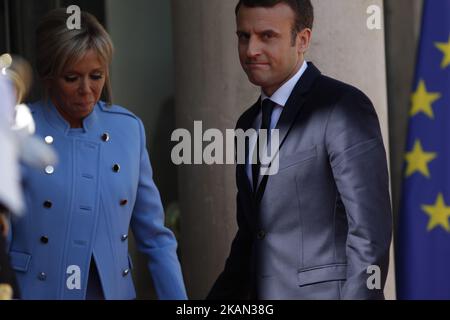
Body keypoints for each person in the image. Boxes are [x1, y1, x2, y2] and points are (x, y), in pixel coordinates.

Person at [208, 0, 392, 300]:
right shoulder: (247, 123)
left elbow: (370, 235)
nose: (251, 50)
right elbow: (250, 237)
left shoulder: (342, 106)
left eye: (267, 36)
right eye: (244, 36)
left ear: (302, 40)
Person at [8, 8, 187, 300]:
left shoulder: (128, 130)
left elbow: (155, 238)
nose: (87, 90)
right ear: (48, 75)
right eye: (72, 77)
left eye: (96, 76)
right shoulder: (16, 129)